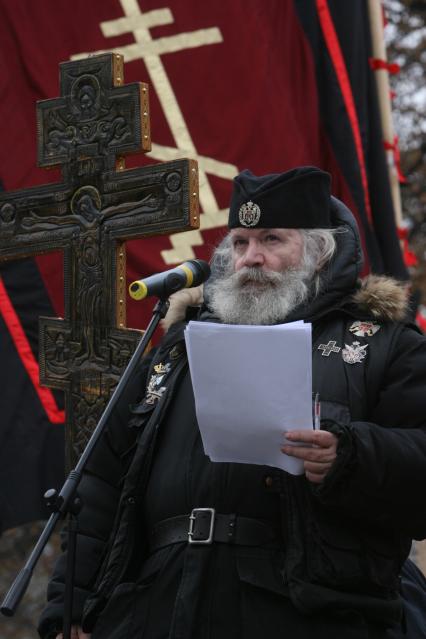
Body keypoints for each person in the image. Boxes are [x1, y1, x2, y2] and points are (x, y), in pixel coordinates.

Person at [38, 167, 426, 639]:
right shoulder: (176, 350)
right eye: (239, 243)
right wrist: (70, 607)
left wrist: (350, 456)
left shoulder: (380, 346)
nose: (250, 259)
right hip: (160, 607)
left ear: (320, 254)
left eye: (271, 240)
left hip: (303, 612)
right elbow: (101, 483)